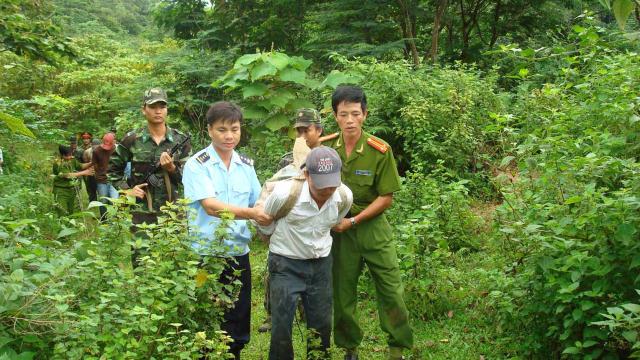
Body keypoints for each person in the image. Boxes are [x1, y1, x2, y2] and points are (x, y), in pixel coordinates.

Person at [328, 85, 413, 360]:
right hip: (340, 233)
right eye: (344, 114)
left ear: (365, 114)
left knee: (391, 290)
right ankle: (349, 348)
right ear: (335, 116)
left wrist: (354, 221)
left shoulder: (379, 149)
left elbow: (386, 198)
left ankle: (396, 349)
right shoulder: (327, 149)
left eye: (355, 113)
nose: (350, 120)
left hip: (372, 228)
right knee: (342, 295)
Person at [182, 101, 271, 360]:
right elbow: (211, 207)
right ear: (209, 130)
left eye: (234, 128)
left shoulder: (246, 165)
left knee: (238, 316)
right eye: (222, 130)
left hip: (238, 253)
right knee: (205, 314)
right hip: (205, 256)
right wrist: (253, 214)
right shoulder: (198, 164)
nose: (229, 135)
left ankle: (234, 355)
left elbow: (259, 200)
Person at [256, 146, 353, 360]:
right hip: (285, 264)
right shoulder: (284, 194)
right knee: (281, 325)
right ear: (306, 174)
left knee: (322, 323)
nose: (327, 192)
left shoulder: (344, 196)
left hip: (321, 265)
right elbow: (265, 225)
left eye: (331, 185)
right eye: (321, 187)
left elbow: (336, 221)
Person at [258, 108, 339, 334]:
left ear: (319, 130)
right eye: (299, 131)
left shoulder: (330, 159)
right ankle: (274, 313)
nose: (302, 136)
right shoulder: (289, 159)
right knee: (277, 272)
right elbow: (275, 191)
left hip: (318, 230)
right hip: (289, 232)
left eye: (307, 130)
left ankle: (309, 314)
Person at [108, 87, 191, 263]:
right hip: (141, 212)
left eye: (162, 106)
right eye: (153, 106)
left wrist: (171, 169)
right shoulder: (132, 139)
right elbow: (112, 170)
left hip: (172, 211)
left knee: (174, 263)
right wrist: (127, 190)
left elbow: (189, 179)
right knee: (142, 262)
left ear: (167, 109)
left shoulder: (179, 140)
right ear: (144, 109)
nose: (158, 110)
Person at [52, 144, 94, 215]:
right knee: (62, 212)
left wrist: (91, 163)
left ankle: (70, 225)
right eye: (67, 155)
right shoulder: (58, 163)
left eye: (70, 154)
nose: (70, 157)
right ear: (62, 155)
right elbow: (67, 175)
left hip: (71, 190)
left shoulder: (72, 159)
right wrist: (84, 172)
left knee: (71, 213)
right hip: (61, 191)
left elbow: (80, 166)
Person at [92, 132, 118, 220]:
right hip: (101, 180)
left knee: (114, 200)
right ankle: (103, 219)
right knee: (103, 201)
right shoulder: (96, 151)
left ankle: (114, 221)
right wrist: (100, 173)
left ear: (113, 142)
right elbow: (95, 165)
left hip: (115, 179)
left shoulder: (118, 150)